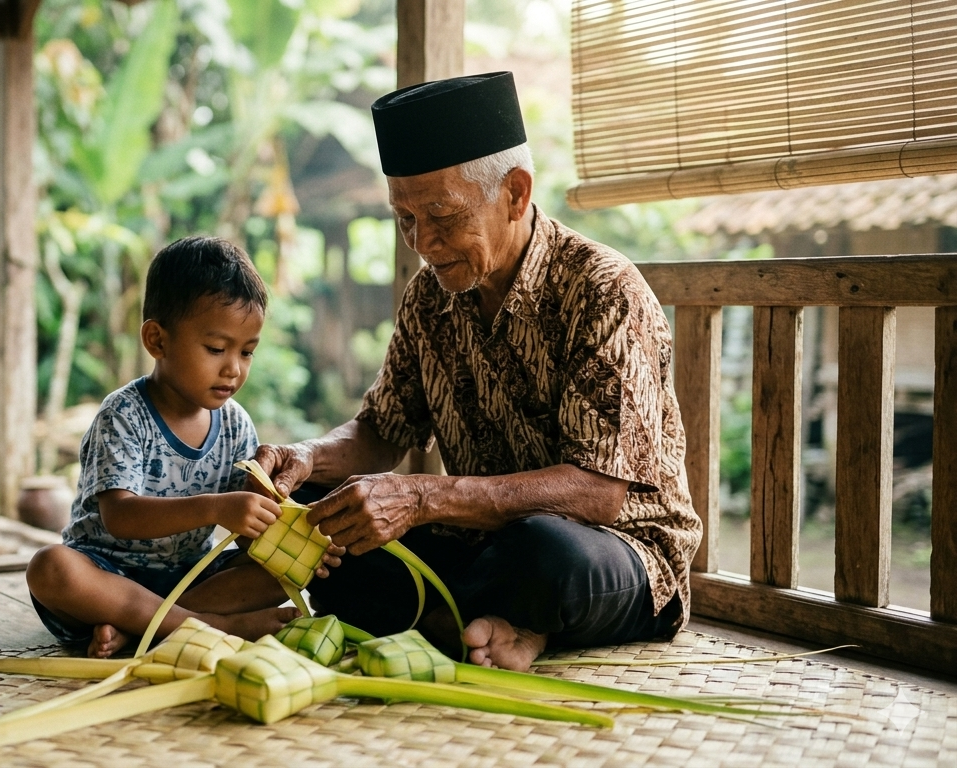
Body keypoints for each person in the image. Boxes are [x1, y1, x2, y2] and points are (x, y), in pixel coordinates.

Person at [254, 72, 702, 672]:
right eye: (405, 219)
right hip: (478, 547)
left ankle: (463, 620)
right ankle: (491, 625)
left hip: (615, 553)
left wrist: (420, 496)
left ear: (515, 193)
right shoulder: (428, 298)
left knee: (544, 552)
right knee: (322, 515)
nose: (423, 242)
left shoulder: (601, 289)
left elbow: (598, 493)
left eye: (442, 215)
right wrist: (308, 456)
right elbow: (382, 430)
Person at [27, 236, 304, 658]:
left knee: (282, 573)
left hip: (187, 579)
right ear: (157, 341)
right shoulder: (123, 414)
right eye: (216, 349)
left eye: (247, 352)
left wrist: (291, 534)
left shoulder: (236, 424)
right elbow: (119, 516)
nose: (233, 368)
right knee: (49, 568)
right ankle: (210, 627)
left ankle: (146, 630)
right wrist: (216, 507)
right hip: (106, 577)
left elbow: (247, 536)